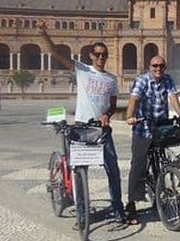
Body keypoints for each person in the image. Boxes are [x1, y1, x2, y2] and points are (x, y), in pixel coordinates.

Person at [39, 21, 126, 226]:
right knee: (79, 173)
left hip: (102, 129)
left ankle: (118, 210)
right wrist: (44, 35)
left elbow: (113, 105)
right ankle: (82, 215)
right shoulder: (82, 70)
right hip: (80, 128)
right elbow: (56, 54)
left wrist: (107, 114)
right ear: (91, 56)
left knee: (113, 170)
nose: (101, 57)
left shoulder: (111, 79)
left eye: (104, 54)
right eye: (97, 54)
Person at [125, 55, 180, 224]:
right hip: (143, 129)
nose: (158, 69)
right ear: (149, 66)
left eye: (161, 66)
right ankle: (131, 205)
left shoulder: (167, 79)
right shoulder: (142, 80)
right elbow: (134, 99)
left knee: (160, 164)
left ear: (165, 67)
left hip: (160, 129)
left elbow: (173, 97)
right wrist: (130, 116)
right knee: (138, 165)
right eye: (155, 66)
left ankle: (159, 193)